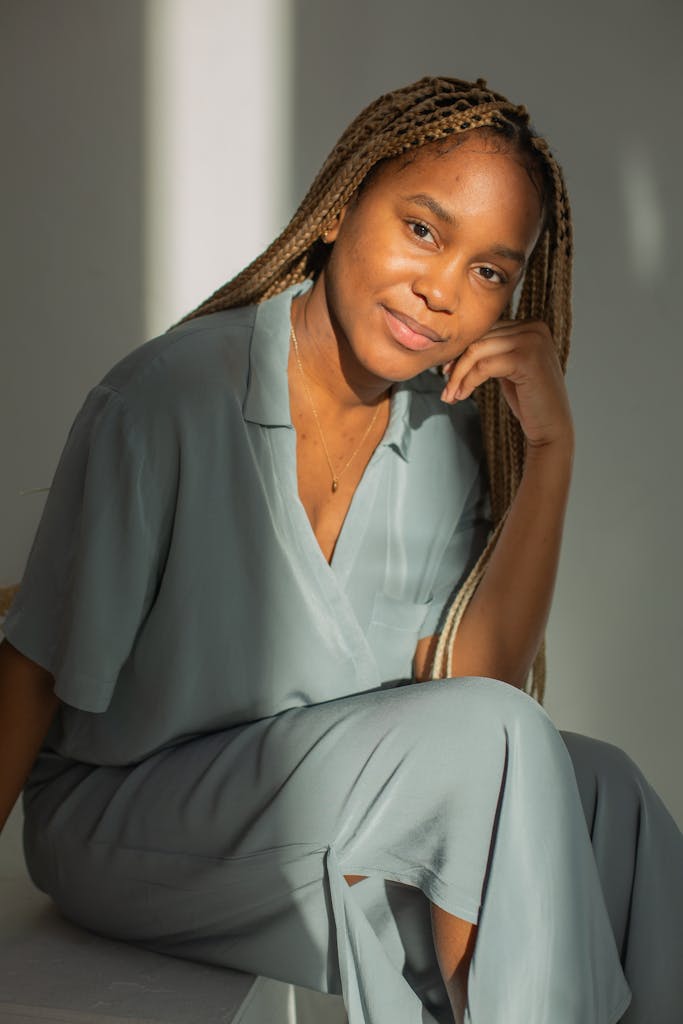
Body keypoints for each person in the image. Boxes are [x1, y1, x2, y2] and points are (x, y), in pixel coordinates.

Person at [0, 76, 681, 1024]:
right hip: (119, 822)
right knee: (507, 753)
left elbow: (473, 695)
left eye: (489, 271)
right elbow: (31, 671)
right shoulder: (167, 399)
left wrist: (552, 455)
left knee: (604, 792)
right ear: (339, 207)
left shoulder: (443, 442)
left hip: (298, 821)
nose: (441, 290)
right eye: (423, 230)